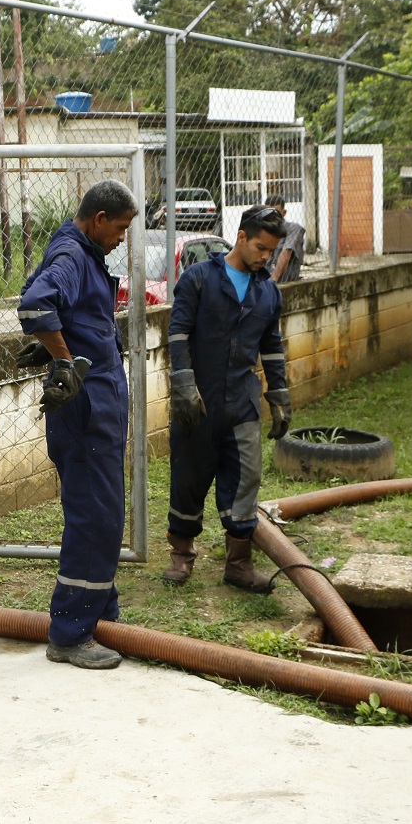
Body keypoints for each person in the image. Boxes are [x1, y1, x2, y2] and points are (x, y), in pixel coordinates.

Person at [17, 180, 139, 670]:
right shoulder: (72, 252)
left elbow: (53, 308)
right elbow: (35, 305)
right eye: (122, 228)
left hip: (98, 409)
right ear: (100, 218)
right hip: (86, 412)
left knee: (104, 515)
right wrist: (63, 360)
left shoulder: (81, 252)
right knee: (95, 520)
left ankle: (98, 617)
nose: (124, 238)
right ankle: (70, 634)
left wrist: (56, 343)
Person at [163, 205, 291, 591]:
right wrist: (183, 384)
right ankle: (181, 556)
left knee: (245, 478)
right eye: (260, 247)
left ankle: (239, 565)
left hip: (242, 403)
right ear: (241, 237)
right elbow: (179, 332)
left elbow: (272, 346)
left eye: (271, 250)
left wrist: (279, 395)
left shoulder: (268, 292)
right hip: (196, 403)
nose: (266, 256)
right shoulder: (199, 278)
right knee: (189, 476)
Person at [265, 194, 306, 283]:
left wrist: (273, 280)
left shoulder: (293, 229)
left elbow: (286, 252)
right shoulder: (262, 231)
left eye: (276, 213)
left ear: (284, 213)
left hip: (284, 282)